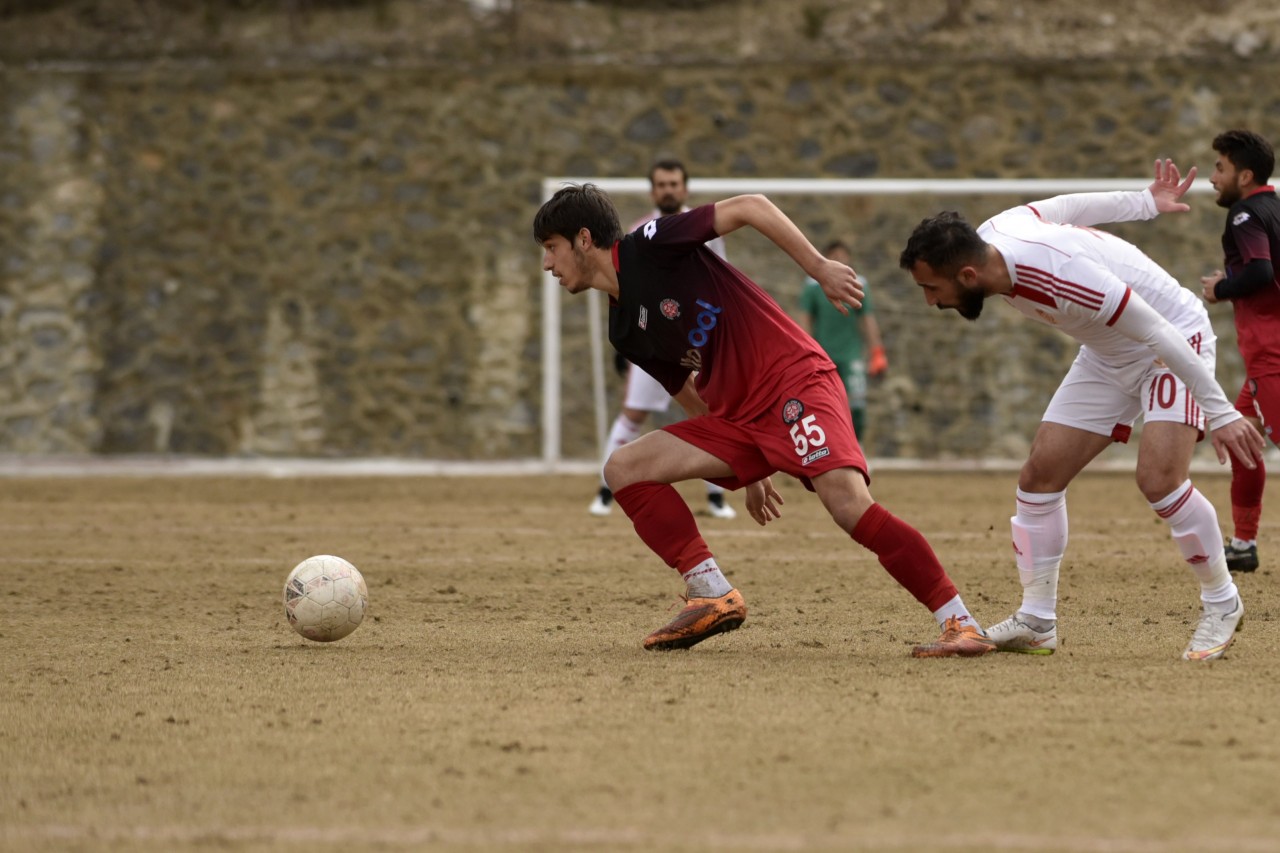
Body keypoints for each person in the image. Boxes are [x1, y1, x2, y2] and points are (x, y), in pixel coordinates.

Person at [535, 183, 996, 657]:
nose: (548, 264)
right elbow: (684, 392)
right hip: (737, 416)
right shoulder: (624, 330)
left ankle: (960, 622)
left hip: (791, 380)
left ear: (584, 239)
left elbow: (750, 207)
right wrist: (736, 467)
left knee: (848, 505)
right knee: (623, 468)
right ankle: (710, 590)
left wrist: (819, 268)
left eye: (552, 248)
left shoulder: (649, 243)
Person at [899, 159, 1266, 662]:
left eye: (931, 289)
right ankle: (1037, 620)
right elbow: (1067, 206)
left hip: (1171, 338)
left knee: (1159, 479)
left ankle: (1222, 603)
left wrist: (1219, 411)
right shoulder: (992, 236)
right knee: (1039, 475)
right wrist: (1143, 202)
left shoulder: (1059, 276)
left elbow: (1159, 332)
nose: (929, 302)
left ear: (967, 274)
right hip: (1109, 350)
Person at [590, 159, 735, 520]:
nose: (668, 189)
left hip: (697, 339)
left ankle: (717, 496)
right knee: (633, 413)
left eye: (674, 183)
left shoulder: (706, 227)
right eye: (661, 184)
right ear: (653, 190)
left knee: (712, 412)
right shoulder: (639, 231)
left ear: (684, 188)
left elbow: (722, 283)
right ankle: (606, 490)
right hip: (652, 337)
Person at [1200, 129, 1280, 574]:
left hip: (1273, 354)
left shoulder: (1246, 216)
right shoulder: (1275, 208)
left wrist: (1220, 289)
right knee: (1243, 442)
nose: (1214, 177)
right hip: (1264, 356)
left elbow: (1261, 273)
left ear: (1244, 175)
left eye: (1220, 168)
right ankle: (1243, 544)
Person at [797, 240, 888, 439]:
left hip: (851, 356)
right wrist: (804, 352)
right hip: (823, 356)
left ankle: (858, 449)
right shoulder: (813, 287)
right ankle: (833, 451)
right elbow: (805, 319)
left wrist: (877, 351)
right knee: (824, 407)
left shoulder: (858, 284)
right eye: (834, 255)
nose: (839, 259)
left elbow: (867, 319)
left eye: (842, 255)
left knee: (856, 407)